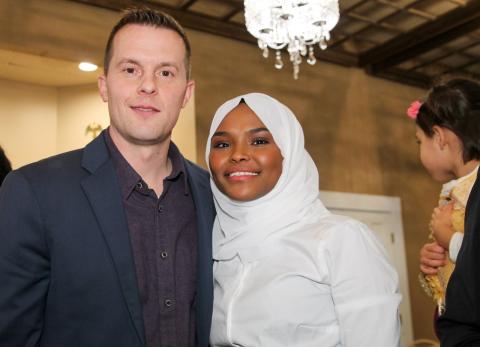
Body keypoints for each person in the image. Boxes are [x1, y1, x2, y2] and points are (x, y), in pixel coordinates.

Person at [0, 8, 215, 347]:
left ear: (186, 93)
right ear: (104, 86)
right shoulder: (33, 193)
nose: (148, 85)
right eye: (131, 70)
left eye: (166, 72)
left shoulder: (213, 196)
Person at [206, 93, 401, 346]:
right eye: (222, 145)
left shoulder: (341, 240)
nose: (238, 154)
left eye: (259, 141)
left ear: (289, 151)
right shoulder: (213, 242)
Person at [410, 78, 480, 346]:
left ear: (439, 137)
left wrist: (449, 240)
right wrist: (434, 264)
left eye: (419, 142)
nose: (420, 151)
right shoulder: (454, 190)